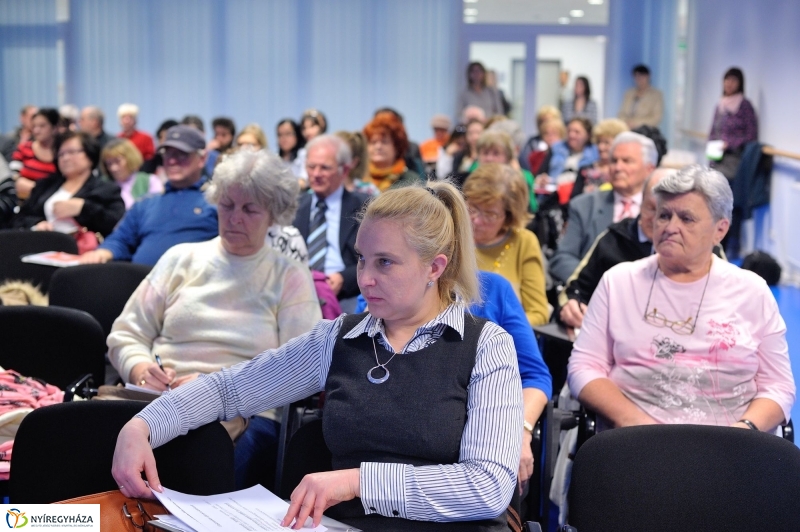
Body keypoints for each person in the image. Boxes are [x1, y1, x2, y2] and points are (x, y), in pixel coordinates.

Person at [112, 180, 522, 531]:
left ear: (435, 267)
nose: (365, 278)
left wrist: (356, 482)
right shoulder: (338, 337)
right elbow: (229, 390)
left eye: (385, 263)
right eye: (361, 259)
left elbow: (487, 487)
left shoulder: (486, 345)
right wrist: (143, 425)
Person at [108, 149, 322, 490]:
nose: (234, 218)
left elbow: (301, 368)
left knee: (195, 466)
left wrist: (216, 388)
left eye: (250, 209)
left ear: (274, 215)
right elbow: (125, 333)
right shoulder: (181, 258)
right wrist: (140, 368)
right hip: (154, 397)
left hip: (242, 413)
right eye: (227, 205)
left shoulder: (289, 275)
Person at [567, 164, 794, 432]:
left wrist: (744, 430)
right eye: (664, 215)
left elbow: (778, 386)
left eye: (686, 219)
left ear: (720, 230)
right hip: (634, 438)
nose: (670, 227)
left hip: (729, 443)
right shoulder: (618, 282)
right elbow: (584, 367)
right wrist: (632, 420)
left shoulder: (752, 291)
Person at [79, 125, 218, 266]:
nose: (172, 161)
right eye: (167, 154)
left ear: (202, 158)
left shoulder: (217, 201)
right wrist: (102, 253)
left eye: (182, 154)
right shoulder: (146, 203)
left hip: (193, 277)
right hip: (139, 277)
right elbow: (121, 239)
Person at [559, 168, 674, 329]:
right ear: (641, 202)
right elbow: (576, 289)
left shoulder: (691, 250)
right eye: (651, 208)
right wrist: (571, 305)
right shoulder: (614, 238)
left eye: (666, 214)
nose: (656, 220)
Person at [549, 131, 657, 285]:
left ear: (649, 169)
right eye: (613, 161)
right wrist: (595, 285)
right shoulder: (584, 206)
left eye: (627, 161)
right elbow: (562, 257)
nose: (618, 167)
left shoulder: (662, 212)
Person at [464, 163, 548, 327]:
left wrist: (496, 330)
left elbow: (538, 313)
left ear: (509, 217)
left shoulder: (523, 242)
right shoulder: (451, 235)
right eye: (472, 209)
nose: (476, 220)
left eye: (490, 215)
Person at [293, 135, 369, 310]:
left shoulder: (364, 208)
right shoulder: (294, 207)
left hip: (346, 294)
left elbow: (374, 258)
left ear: (345, 170)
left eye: (325, 168)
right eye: (311, 167)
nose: (316, 174)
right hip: (299, 292)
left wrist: (344, 278)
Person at [12, 131, 124, 236]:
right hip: (42, 243)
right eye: (61, 154)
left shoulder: (106, 189)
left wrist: (83, 208)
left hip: (85, 247)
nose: (65, 158)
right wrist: (37, 223)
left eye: (71, 152)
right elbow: (19, 217)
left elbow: (117, 222)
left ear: (90, 155)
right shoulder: (45, 185)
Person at [708, 67, 758, 180]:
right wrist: (711, 145)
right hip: (715, 156)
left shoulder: (745, 106)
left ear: (740, 84)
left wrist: (729, 144)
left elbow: (751, 135)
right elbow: (713, 130)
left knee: (723, 185)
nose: (729, 83)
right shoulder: (720, 105)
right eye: (727, 80)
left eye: (734, 80)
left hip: (734, 159)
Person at [362, 113, 422, 192]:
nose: (378, 147)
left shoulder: (411, 181)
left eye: (384, 142)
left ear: (397, 146)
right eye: (373, 142)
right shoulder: (357, 178)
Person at [570, 118, 629, 199]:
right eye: (599, 142)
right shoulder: (585, 170)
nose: (600, 147)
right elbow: (574, 200)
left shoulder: (624, 171)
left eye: (606, 143)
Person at [100, 139, 163, 210]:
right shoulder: (103, 184)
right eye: (109, 164)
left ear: (130, 158)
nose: (113, 168)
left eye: (117, 161)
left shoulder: (150, 181)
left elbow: (157, 208)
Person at [11, 108, 59, 200]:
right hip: (24, 200)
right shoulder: (24, 148)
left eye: (42, 126)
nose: (36, 130)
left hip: (52, 200)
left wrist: (34, 187)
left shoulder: (62, 152)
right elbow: (13, 176)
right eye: (34, 126)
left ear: (54, 128)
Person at [546, 117, 599, 190]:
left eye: (577, 132)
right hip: (554, 191)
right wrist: (543, 179)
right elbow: (542, 172)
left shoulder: (596, 154)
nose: (571, 135)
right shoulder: (556, 148)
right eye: (569, 131)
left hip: (579, 192)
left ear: (588, 135)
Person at [618, 64, 664, 128]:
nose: (639, 79)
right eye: (636, 76)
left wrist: (636, 123)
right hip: (627, 128)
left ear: (648, 76)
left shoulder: (656, 95)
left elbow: (656, 118)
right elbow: (621, 113)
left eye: (642, 76)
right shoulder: (629, 93)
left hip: (646, 130)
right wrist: (626, 122)